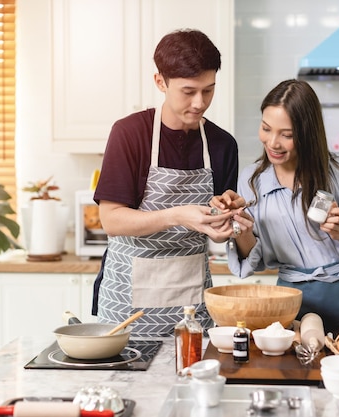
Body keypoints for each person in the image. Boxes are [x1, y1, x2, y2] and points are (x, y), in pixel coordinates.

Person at [216, 79, 339, 335]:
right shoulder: (252, 180)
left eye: (286, 135)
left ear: (307, 133)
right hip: (293, 305)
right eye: (266, 128)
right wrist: (241, 228)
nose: (273, 143)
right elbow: (255, 259)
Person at [92, 29, 239, 337]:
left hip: (192, 305)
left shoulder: (222, 145)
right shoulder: (130, 134)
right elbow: (111, 219)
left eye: (208, 90)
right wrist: (176, 215)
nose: (200, 103)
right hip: (127, 306)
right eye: (188, 91)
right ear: (160, 82)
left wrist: (226, 221)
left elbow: (221, 237)